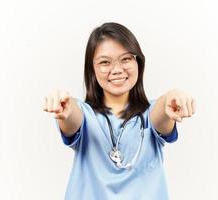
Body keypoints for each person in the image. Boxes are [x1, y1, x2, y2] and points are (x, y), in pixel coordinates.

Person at [43, 22, 196, 200]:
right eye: (105, 62)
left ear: (138, 62)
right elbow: (72, 117)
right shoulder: (84, 114)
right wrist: (65, 107)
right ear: (92, 70)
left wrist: (171, 96)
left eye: (125, 59)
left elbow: (161, 113)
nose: (116, 69)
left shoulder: (151, 114)